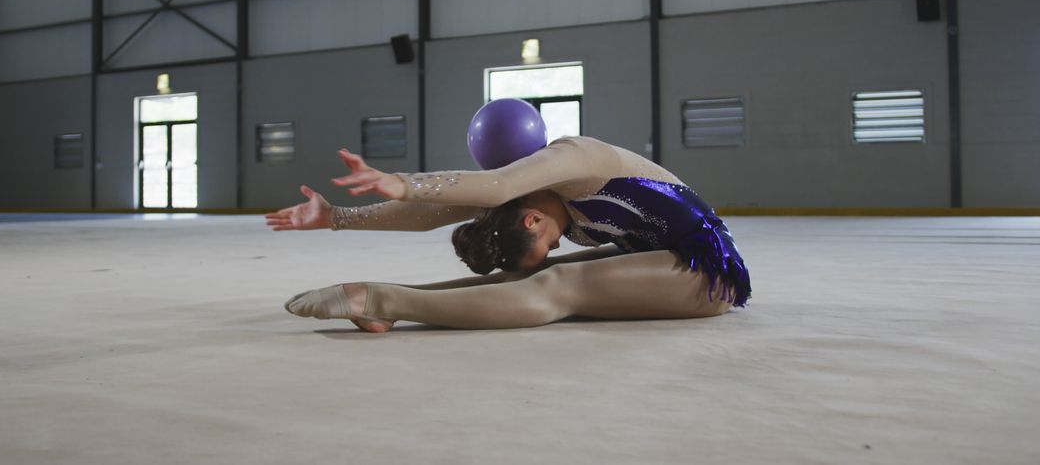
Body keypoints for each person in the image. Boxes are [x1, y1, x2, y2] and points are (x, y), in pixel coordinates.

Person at [265, 136, 750, 333]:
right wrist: (337, 217)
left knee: (556, 285)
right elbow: (430, 215)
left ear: (531, 221)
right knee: (529, 278)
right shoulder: (529, 205)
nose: (557, 244)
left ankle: (381, 300)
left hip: (705, 273)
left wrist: (402, 181)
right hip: (657, 265)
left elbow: (497, 185)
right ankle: (379, 306)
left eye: (548, 244)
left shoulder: (579, 161)